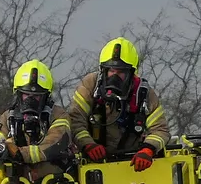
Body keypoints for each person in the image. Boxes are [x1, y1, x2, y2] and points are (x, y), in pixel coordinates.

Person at [68, 37, 170, 171]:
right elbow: (75, 120)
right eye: (111, 70)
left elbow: (160, 130)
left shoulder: (143, 93)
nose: (114, 77)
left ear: (131, 73)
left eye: (121, 72)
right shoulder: (90, 85)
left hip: (130, 165)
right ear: (103, 70)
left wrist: (148, 149)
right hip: (92, 166)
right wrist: (88, 144)